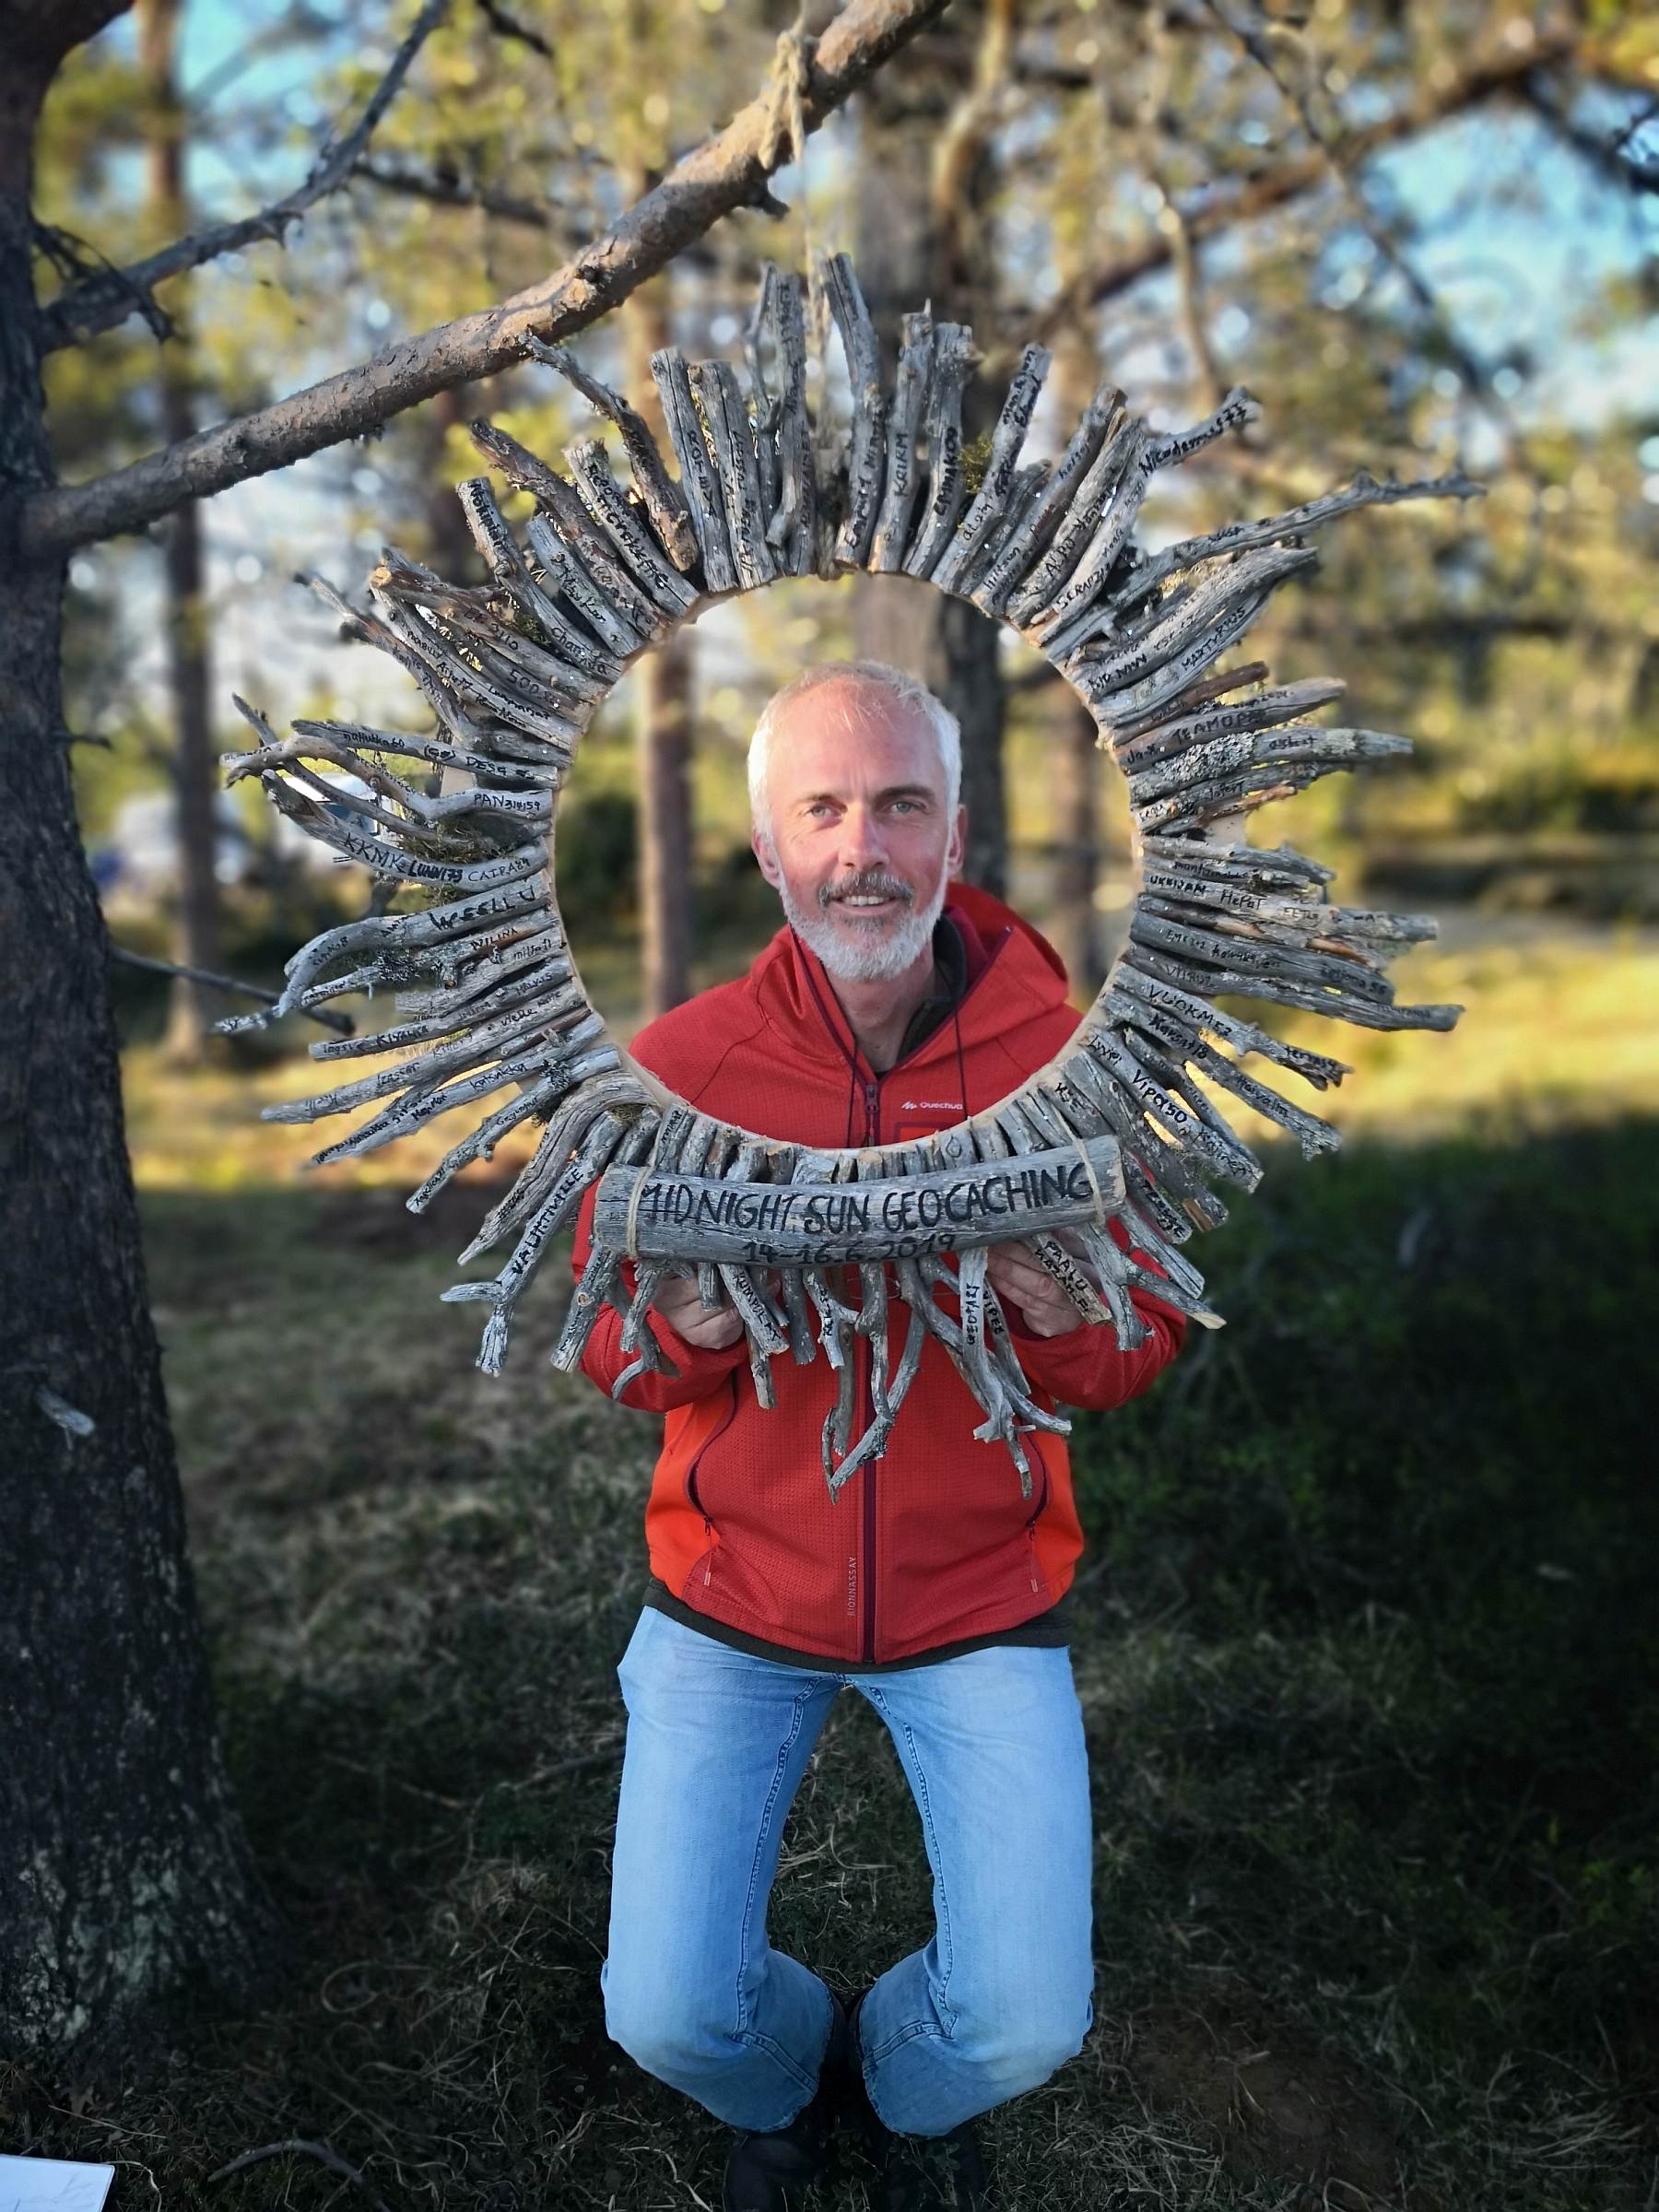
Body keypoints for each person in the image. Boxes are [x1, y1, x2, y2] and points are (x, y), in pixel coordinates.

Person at [571, 660, 1185, 2211]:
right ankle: (787, 2083)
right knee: (665, 2014)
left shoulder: (1071, 1063)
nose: (864, 850)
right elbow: (607, 1346)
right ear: (768, 849)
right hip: (733, 1591)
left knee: (1024, 2024)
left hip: (980, 1591)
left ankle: (908, 2101)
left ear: (955, 835)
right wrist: (683, 1335)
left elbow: (1143, 1342)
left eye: (901, 806)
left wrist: (1062, 1312)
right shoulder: (678, 1071)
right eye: (823, 811)